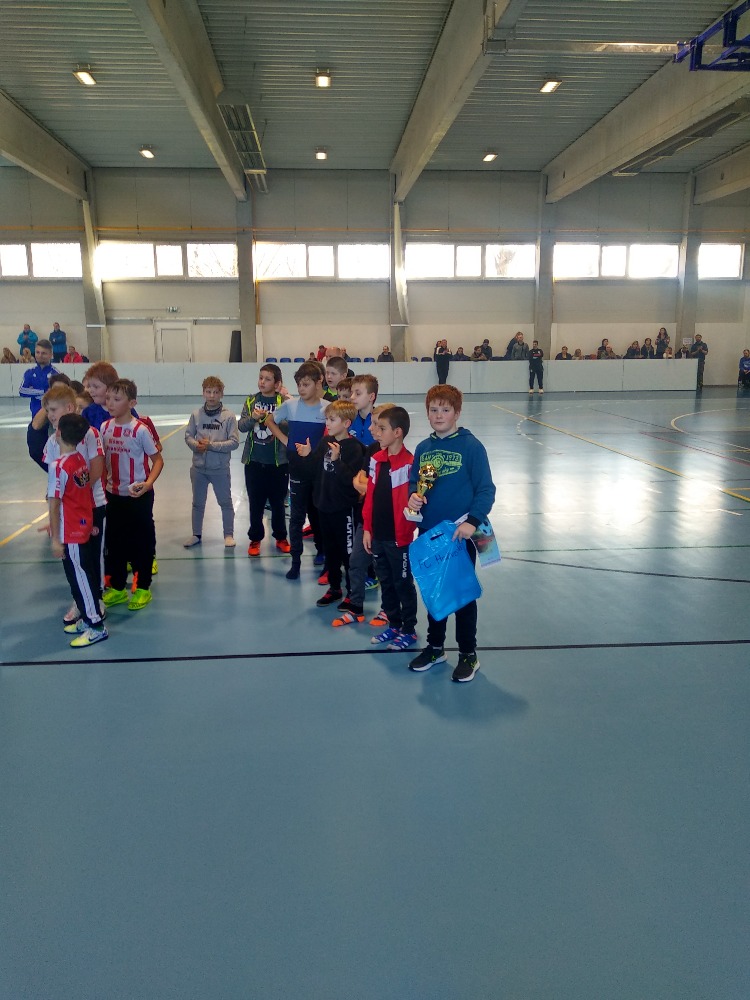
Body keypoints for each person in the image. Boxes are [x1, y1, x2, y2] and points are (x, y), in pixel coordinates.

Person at [406, 384, 496, 683]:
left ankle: (468, 654)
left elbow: (486, 490)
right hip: (431, 534)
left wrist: (472, 521)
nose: (439, 415)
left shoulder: (471, 447)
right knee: (434, 592)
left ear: (457, 413)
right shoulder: (424, 448)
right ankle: (435, 647)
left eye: (445, 410)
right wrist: (413, 497)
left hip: (460, 536)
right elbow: (415, 484)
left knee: (461, 595)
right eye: (434, 410)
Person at [41, 383, 107, 625]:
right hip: (68, 513)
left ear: (69, 408)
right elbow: (54, 484)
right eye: (48, 410)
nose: (50, 415)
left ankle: (96, 599)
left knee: (92, 557)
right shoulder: (52, 442)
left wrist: (78, 498)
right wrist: (55, 517)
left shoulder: (89, 434)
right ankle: (80, 600)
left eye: (53, 409)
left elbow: (96, 469)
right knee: (72, 561)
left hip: (92, 505)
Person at [100, 379, 163, 611]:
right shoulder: (104, 428)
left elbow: (158, 461)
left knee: (141, 542)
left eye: (117, 399)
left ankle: (143, 587)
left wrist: (148, 484)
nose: (110, 403)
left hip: (139, 496)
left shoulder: (140, 430)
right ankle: (117, 587)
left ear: (132, 403)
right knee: (114, 543)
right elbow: (101, 461)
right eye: (108, 398)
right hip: (113, 495)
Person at [295, 400, 365, 608]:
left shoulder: (354, 448)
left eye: (332, 419)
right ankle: (335, 588)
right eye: (327, 419)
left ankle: (353, 592)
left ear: (346, 423)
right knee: (331, 551)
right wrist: (307, 455)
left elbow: (352, 481)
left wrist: (337, 461)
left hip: (343, 510)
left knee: (348, 553)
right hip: (324, 506)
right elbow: (314, 470)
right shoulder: (325, 441)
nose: (327, 423)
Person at [332, 402, 395, 628]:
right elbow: (358, 481)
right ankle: (356, 608)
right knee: (356, 562)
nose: (370, 428)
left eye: (377, 425)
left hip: (387, 524)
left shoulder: (399, 456)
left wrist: (368, 486)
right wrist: (368, 486)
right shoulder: (371, 450)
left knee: (385, 569)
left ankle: (388, 610)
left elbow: (380, 489)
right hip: (365, 519)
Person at [265, 361, 328, 580]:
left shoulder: (327, 408)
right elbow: (269, 420)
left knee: (318, 512)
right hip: (297, 468)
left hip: (319, 469)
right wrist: (286, 440)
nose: (301, 389)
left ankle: (322, 550)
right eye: (299, 384)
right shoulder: (290, 406)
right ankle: (296, 561)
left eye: (306, 384)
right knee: (297, 516)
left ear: (318, 383)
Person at [362, 406, 418, 651]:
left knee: (402, 584)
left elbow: (413, 504)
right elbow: (370, 497)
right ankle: (394, 625)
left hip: (399, 538)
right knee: (386, 582)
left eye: (381, 428)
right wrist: (367, 528)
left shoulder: (410, 464)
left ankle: (409, 630)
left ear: (397, 432)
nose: (376, 431)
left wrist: (406, 531)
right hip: (378, 535)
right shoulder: (376, 459)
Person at [238, 363, 290, 557]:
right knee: (255, 503)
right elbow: (242, 426)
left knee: (278, 503)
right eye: (261, 377)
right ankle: (255, 538)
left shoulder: (284, 402)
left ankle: (281, 537)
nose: (262, 382)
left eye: (267, 379)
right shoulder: (251, 400)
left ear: (277, 383)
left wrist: (272, 419)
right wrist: (253, 418)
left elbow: (290, 426)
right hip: (254, 462)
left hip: (278, 463)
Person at [183, 376, 239, 550]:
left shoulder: (228, 416)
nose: (212, 396)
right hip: (198, 468)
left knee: (225, 502)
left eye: (215, 392)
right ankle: (196, 534)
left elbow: (234, 442)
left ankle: (228, 535)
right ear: (203, 393)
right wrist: (196, 445)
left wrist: (211, 446)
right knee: (197, 503)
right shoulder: (196, 415)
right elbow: (188, 436)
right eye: (208, 392)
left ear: (221, 394)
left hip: (219, 469)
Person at [18, 339, 58, 471]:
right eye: (38, 352)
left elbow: (57, 394)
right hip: (36, 418)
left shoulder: (56, 374)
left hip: (52, 420)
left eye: (44, 353)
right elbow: (22, 391)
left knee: (54, 452)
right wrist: (42, 392)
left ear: (51, 354)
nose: (40, 355)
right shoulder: (29, 373)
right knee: (35, 451)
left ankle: (58, 476)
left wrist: (35, 392)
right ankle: (54, 473)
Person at [349, 374, 378, 446]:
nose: (352, 397)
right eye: (351, 393)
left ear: (371, 397)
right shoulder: (347, 419)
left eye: (358, 393)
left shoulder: (381, 421)